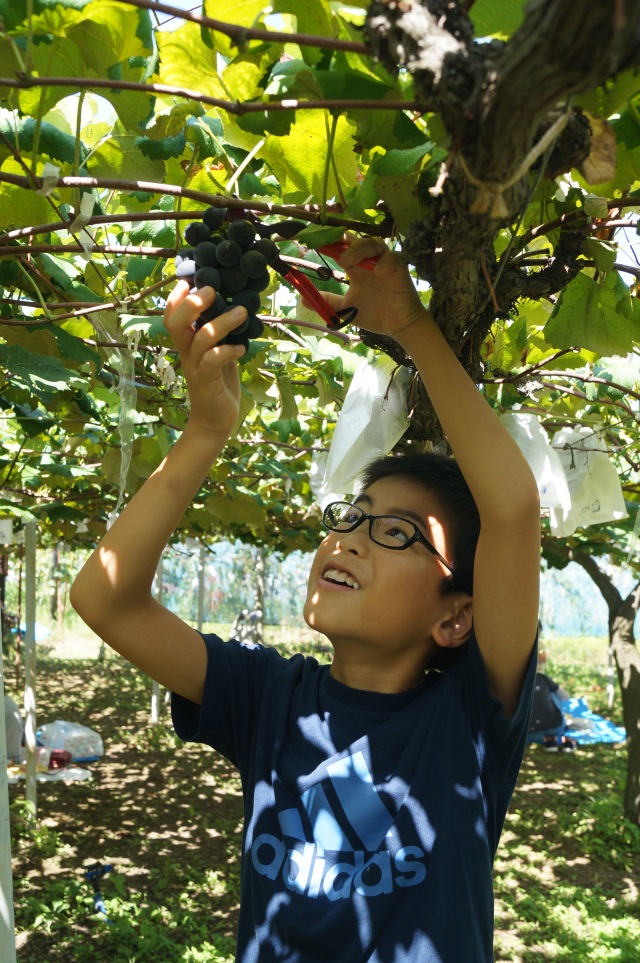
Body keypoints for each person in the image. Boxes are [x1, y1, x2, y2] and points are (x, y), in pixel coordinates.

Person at [70, 238, 541, 962]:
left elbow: (510, 509)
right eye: (351, 515)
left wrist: (411, 327)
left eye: (395, 532)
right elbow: (105, 598)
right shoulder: (270, 697)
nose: (348, 538)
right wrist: (205, 430)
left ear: (456, 616)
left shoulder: (470, 720)